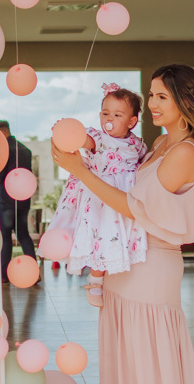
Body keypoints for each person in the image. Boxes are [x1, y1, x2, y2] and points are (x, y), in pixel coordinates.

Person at [52, 64, 194, 384]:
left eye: (161, 97)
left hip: (152, 267)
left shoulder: (184, 152)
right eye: (150, 96)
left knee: (152, 373)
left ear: (185, 101)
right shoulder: (160, 142)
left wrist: (80, 172)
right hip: (124, 262)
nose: (151, 105)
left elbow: (134, 206)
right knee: (124, 372)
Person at [48, 83, 148, 307]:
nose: (108, 118)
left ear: (132, 121)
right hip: (101, 199)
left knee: (123, 236)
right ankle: (95, 279)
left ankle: (123, 269)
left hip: (125, 199)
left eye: (117, 114)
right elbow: (83, 141)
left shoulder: (138, 144)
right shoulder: (98, 138)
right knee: (102, 235)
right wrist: (67, 133)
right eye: (105, 113)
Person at [0, 120, 36, 285]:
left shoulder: (3, 149)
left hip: (6, 201)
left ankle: (3, 276)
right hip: (23, 201)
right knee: (23, 235)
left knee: (5, 237)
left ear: (1, 132)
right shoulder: (25, 150)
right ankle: (34, 273)